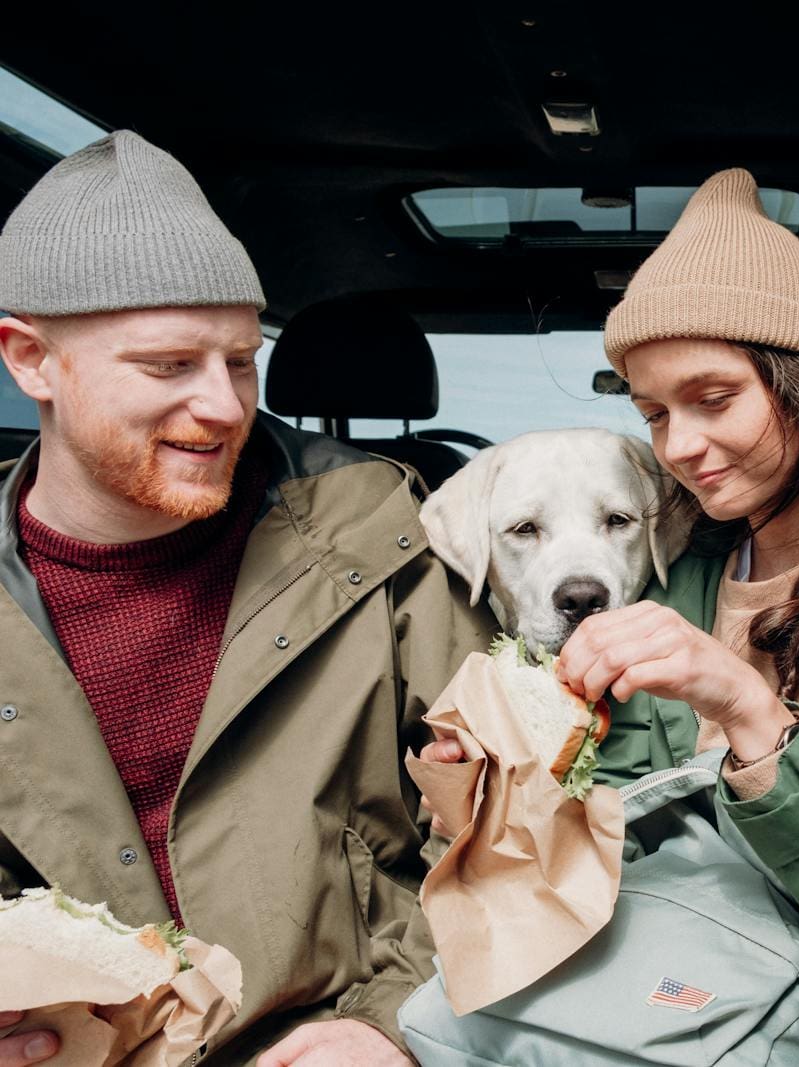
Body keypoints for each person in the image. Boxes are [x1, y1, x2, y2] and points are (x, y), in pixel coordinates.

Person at [423, 168, 799, 995]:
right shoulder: (677, 570)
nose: (680, 449)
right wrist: (491, 788)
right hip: (656, 974)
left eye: (714, 398)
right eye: (656, 413)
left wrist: (744, 705)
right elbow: (610, 834)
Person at [0, 132, 494, 1065]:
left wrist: (397, 1021)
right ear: (32, 362)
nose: (226, 405)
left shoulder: (387, 544)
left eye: (239, 360)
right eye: (168, 366)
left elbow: (517, 824)